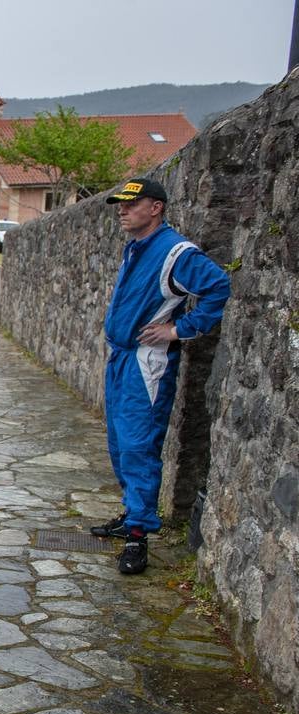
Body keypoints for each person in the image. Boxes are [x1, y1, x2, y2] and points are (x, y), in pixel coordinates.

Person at [92, 177, 231, 575]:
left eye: (132, 204)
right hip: (122, 359)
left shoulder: (175, 252)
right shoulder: (137, 247)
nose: (123, 210)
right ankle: (132, 513)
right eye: (121, 204)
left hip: (146, 363)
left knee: (139, 446)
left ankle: (138, 537)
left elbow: (218, 286)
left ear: (156, 208)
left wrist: (177, 330)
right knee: (120, 443)